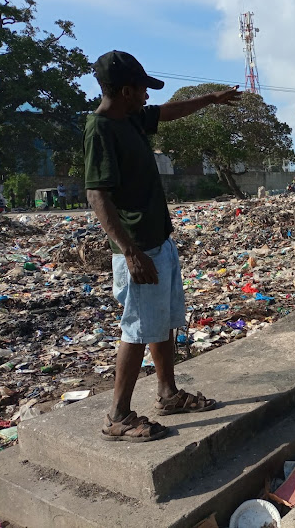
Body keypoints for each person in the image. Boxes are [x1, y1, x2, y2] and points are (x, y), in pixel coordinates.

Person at [84, 50, 242, 442]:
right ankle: (118, 416)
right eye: (141, 90)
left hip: (159, 241)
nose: (146, 98)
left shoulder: (131, 118)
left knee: (162, 324)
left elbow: (167, 112)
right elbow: (97, 195)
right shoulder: (102, 129)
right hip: (139, 249)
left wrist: (210, 99)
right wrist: (130, 252)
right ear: (124, 91)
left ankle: (168, 394)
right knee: (137, 330)